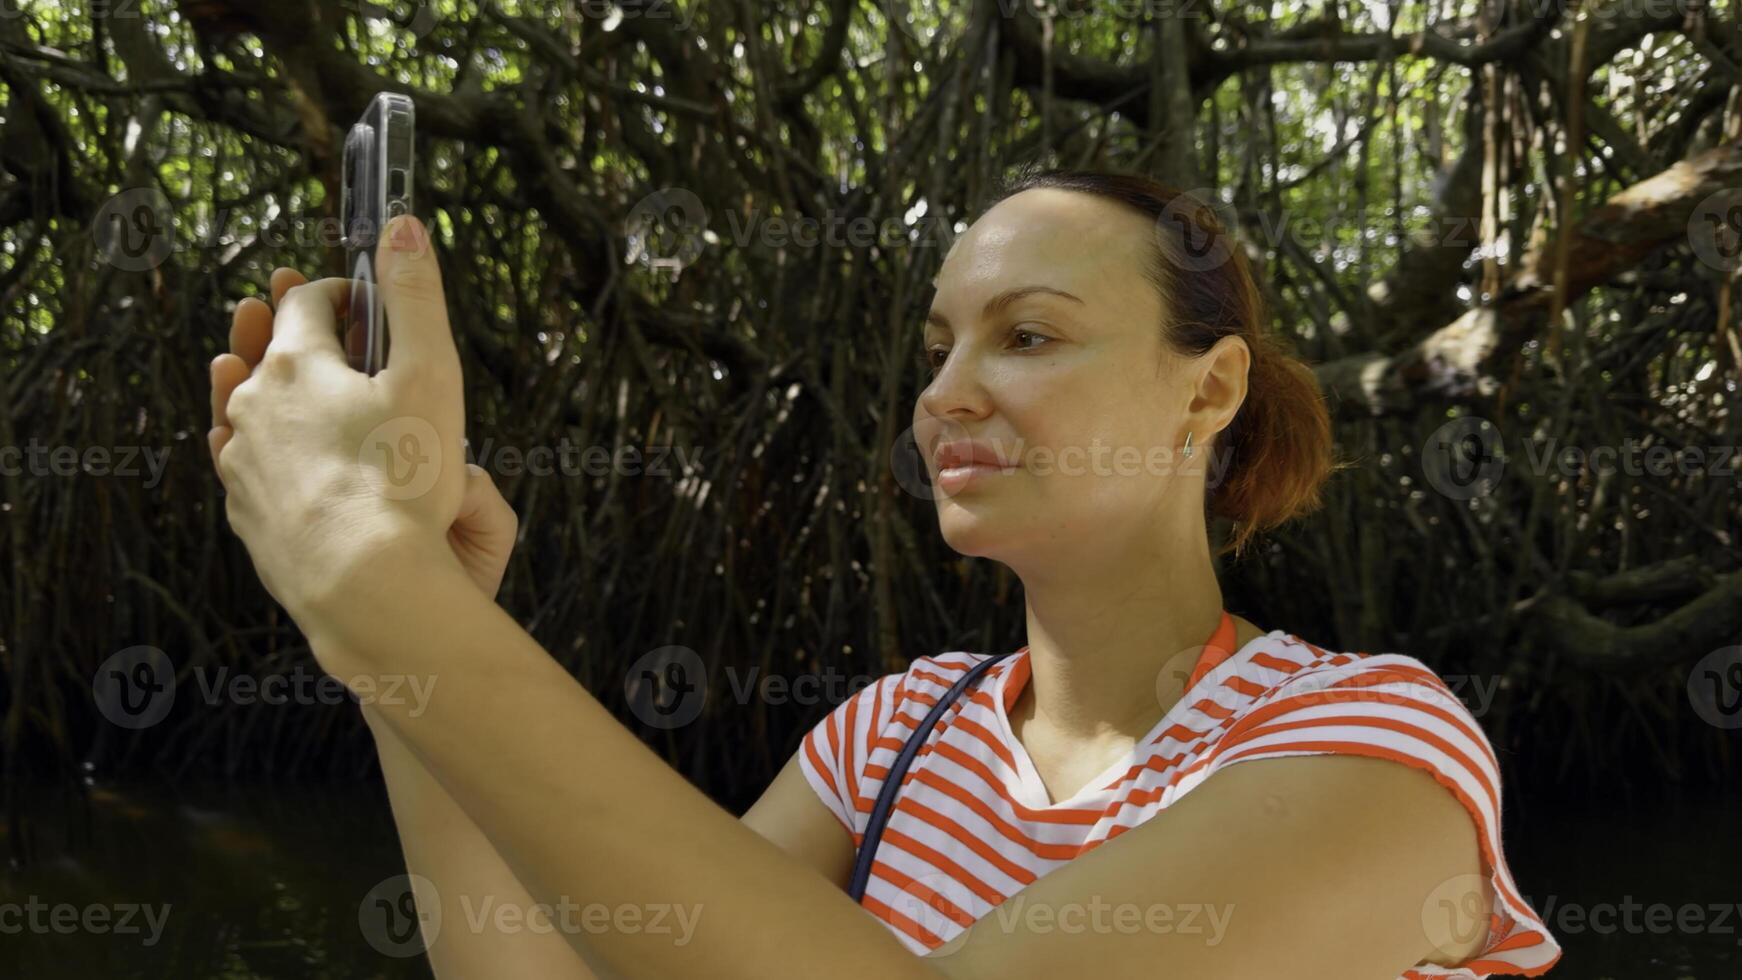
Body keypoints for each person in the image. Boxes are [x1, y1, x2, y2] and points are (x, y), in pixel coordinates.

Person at [207, 168, 1562, 978]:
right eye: (937, 345)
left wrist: (371, 586)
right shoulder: (892, 733)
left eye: (1026, 336)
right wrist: (407, 635)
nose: (946, 393)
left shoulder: (1369, 744)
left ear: (1205, 392)